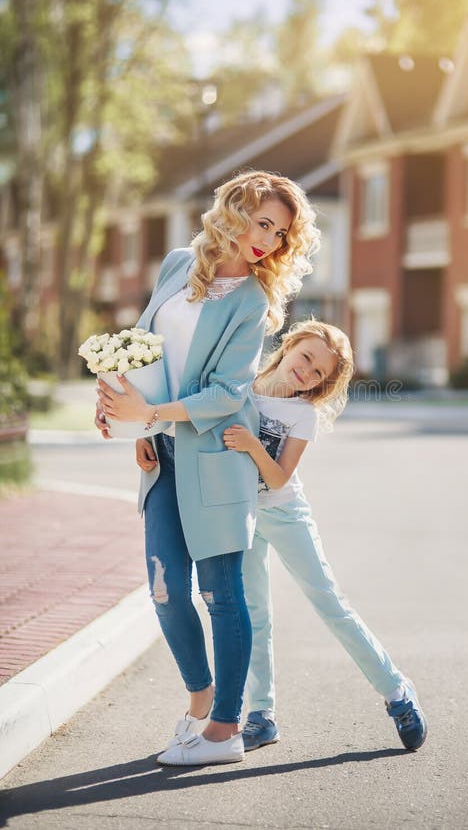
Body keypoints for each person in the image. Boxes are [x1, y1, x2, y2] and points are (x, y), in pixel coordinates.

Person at [95, 171, 319, 767]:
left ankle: (226, 731)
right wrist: (126, 418)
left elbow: (226, 392)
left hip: (216, 456)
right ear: (233, 211)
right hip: (161, 453)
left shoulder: (251, 301)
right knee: (166, 590)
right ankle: (200, 704)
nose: (267, 240)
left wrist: (155, 413)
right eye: (262, 222)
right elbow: (142, 349)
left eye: (280, 232)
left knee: (221, 594)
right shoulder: (175, 265)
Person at [221, 319, 427, 753]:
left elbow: (277, 478)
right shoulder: (242, 383)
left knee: (330, 603)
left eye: (319, 373)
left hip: (285, 512)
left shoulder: (302, 414)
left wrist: (253, 444)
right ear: (290, 344)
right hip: (242, 515)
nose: (308, 372)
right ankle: (262, 715)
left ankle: (397, 692)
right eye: (307, 357)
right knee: (254, 612)